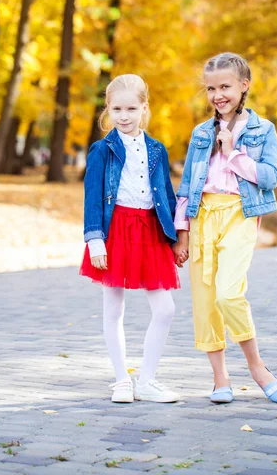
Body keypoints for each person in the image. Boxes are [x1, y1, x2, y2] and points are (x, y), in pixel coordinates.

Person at [173, 52, 277, 404]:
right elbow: (187, 185)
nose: (218, 94)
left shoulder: (262, 130)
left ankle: (257, 367)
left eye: (225, 86)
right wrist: (182, 233)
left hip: (240, 214)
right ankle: (220, 378)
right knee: (205, 301)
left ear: (243, 86)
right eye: (210, 88)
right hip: (202, 215)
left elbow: (270, 177)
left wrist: (235, 154)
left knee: (228, 293)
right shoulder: (200, 133)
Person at [80, 74, 180, 404]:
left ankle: (147, 380)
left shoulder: (157, 150)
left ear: (144, 108)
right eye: (117, 109)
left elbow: (166, 194)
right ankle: (122, 379)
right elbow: (93, 197)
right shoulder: (101, 150)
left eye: (131, 108)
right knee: (114, 308)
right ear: (107, 110)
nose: (124, 116)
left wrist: (178, 238)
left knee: (165, 309)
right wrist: (95, 241)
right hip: (116, 230)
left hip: (151, 231)